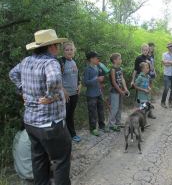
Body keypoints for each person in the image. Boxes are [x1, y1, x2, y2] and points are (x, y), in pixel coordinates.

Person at [9, 29, 72, 185]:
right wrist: (52, 97)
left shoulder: (26, 61)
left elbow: (12, 74)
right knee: (61, 161)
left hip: (31, 123)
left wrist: (22, 88)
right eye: (57, 45)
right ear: (51, 47)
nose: (58, 48)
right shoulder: (50, 62)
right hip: (50, 124)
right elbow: (54, 79)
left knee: (39, 161)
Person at [59, 41, 81, 142]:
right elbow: (56, 78)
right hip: (65, 95)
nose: (69, 51)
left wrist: (79, 84)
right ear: (63, 51)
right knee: (64, 115)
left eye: (71, 49)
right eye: (67, 50)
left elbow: (77, 76)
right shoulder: (60, 62)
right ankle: (64, 136)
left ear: (74, 51)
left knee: (70, 114)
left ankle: (72, 134)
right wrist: (63, 90)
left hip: (74, 93)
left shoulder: (74, 61)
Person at [83, 51, 107, 136]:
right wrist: (96, 79)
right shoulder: (87, 69)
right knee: (92, 112)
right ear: (91, 59)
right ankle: (93, 128)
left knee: (100, 110)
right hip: (91, 95)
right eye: (97, 58)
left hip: (98, 92)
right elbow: (85, 83)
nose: (98, 59)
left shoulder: (97, 67)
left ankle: (102, 126)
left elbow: (98, 79)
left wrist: (101, 83)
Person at [109, 53, 129, 131]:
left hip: (120, 90)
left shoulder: (120, 68)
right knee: (115, 107)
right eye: (119, 58)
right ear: (115, 60)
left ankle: (118, 122)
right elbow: (114, 82)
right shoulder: (113, 69)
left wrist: (125, 89)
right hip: (114, 91)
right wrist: (120, 91)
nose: (121, 60)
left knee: (120, 107)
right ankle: (111, 124)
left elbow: (122, 79)